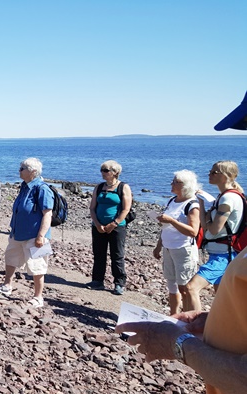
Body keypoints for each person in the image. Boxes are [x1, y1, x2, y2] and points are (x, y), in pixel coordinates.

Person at [115, 90, 247, 394]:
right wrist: (213, 322)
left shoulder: (222, 199)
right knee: (191, 288)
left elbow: (209, 228)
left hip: (217, 252)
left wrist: (179, 344)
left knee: (190, 286)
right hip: (203, 253)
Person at [0, 158, 53, 308]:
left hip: (35, 235)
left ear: (32, 171)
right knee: (11, 258)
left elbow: (47, 214)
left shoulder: (42, 188)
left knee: (37, 266)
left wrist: (41, 236)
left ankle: (38, 297)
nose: (19, 170)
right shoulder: (24, 186)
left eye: (22, 168)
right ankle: (7, 286)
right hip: (18, 233)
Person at [185, 161, 244, 311]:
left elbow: (214, 229)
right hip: (222, 253)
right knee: (221, 297)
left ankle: (196, 326)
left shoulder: (227, 199)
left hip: (223, 255)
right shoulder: (223, 196)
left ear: (224, 176)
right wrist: (202, 203)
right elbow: (207, 227)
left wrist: (208, 218)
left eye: (213, 173)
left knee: (191, 288)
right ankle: (222, 328)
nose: (209, 175)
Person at [152, 170, 201, 314]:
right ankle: (173, 317)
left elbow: (193, 231)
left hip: (183, 249)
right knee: (171, 286)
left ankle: (187, 320)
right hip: (168, 248)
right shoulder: (172, 200)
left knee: (185, 288)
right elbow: (166, 227)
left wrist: (172, 221)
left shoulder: (192, 205)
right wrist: (158, 246)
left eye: (175, 182)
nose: (171, 184)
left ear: (185, 185)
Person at [88, 160, 132, 295]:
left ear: (115, 172)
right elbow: (92, 207)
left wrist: (114, 223)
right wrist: (97, 223)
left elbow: (126, 208)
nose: (103, 173)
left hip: (117, 227)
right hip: (98, 226)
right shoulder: (99, 187)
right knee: (99, 254)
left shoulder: (123, 187)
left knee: (117, 255)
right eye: (102, 170)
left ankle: (119, 283)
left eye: (106, 170)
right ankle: (97, 280)